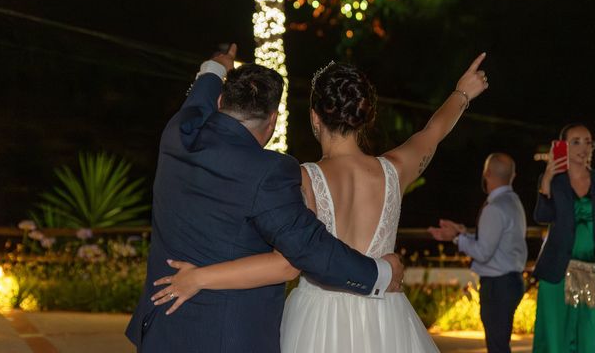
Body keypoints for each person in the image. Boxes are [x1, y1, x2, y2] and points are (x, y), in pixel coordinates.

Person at [149, 52, 489, 352]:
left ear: (315, 118)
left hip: (316, 317)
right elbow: (433, 132)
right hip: (385, 313)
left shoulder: (301, 178)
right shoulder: (397, 170)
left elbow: (286, 260)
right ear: (365, 115)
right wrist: (463, 93)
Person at [125, 44, 405, 353]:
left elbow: (199, 97)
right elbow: (309, 248)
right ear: (271, 121)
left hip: (162, 333)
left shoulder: (178, 134)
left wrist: (217, 65)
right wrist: (380, 274)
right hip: (230, 340)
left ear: (221, 101)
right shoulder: (269, 171)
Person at [531, 123, 595, 352]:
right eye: (576, 141)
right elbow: (542, 215)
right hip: (557, 276)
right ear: (562, 146)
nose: (583, 147)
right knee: (558, 341)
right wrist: (546, 181)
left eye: (588, 142)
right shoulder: (554, 182)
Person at [429, 153, 527, 353]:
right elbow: (496, 242)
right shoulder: (513, 202)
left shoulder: (495, 207)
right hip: (511, 281)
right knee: (500, 343)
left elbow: (483, 253)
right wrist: (462, 233)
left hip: (498, 285)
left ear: (487, 173)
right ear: (513, 176)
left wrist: (456, 239)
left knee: (497, 345)